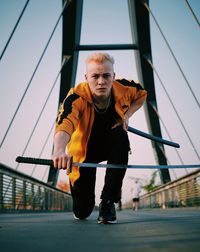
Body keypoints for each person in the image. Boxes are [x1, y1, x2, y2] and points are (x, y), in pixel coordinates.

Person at [52, 52, 147, 224]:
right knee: (82, 212)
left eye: (106, 76)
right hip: (84, 153)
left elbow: (141, 94)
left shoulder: (124, 88)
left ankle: (108, 202)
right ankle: (83, 204)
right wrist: (59, 150)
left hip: (111, 143)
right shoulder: (75, 97)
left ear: (114, 76)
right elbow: (64, 124)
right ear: (86, 77)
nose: (101, 81)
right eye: (95, 76)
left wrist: (127, 115)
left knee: (121, 136)